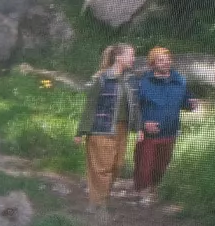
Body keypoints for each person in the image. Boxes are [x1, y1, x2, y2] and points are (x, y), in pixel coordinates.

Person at [131, 44, 199, 203]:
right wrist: (142, 124)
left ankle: (154, 188)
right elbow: (134, 107)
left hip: (170, 132)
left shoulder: (179, 80)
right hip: (149, 133)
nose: (166, 62)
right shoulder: (143, 82)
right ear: (152, 64)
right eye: (161, 60)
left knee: (161, 165)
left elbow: (185, 102)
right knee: (144, 164)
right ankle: (143, 192)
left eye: (168, 59)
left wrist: (191, 104)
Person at [76, 43, 139, 209]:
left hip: (121, 129)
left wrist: (139, 129)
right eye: (131, 55)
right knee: (101, 167)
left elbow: (135, 106)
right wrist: (81, 131)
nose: (133, 59)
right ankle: (98, 204)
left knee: (116, 166)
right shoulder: (101, 78)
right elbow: (90, 105)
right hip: (100, 128)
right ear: (119, 57)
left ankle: (101, 198)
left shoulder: (131, 79)